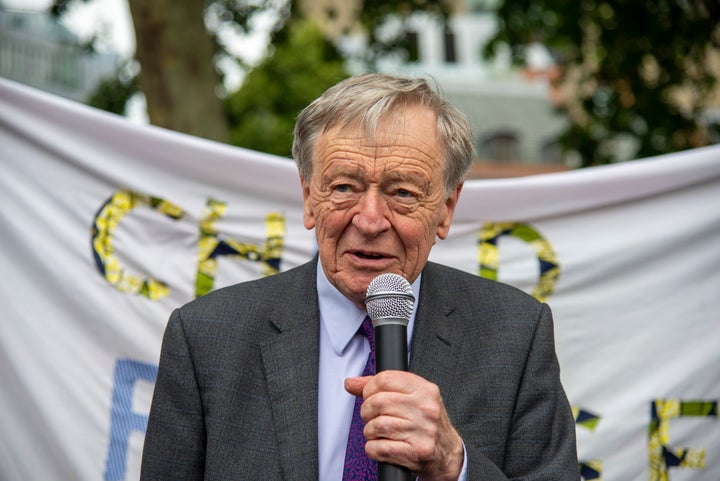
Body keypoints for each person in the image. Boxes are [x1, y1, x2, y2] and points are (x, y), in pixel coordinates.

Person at [140, 73, 578, 481]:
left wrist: (454, 464)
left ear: (446, 208)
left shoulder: (515, 334)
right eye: (345, 187)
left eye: (402, 192)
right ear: (310, 197)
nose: (369, 220)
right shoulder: (206, 337)